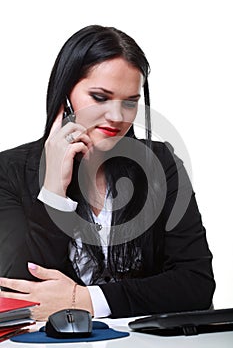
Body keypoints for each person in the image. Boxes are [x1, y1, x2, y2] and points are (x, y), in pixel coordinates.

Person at [0, 25, 215, 321]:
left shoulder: (160, 163)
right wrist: (53, 192)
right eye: (100, 97)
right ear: (65, 96)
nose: (117, 117)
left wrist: (88, 300)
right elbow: (17, 298)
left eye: (130, 102)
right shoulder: (8, 171)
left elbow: (196, 283)